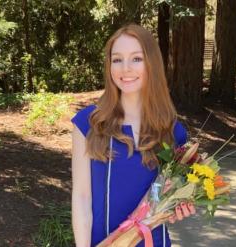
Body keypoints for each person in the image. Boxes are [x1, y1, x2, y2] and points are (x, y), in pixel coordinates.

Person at [71, 24, 195, 247]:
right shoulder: (88, 123)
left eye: (136, 58)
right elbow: (81, 198)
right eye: (117, 59)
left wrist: (176, 207)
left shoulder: (172, 131)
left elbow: (162, 197)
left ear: (151, 64)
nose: (125, 68)